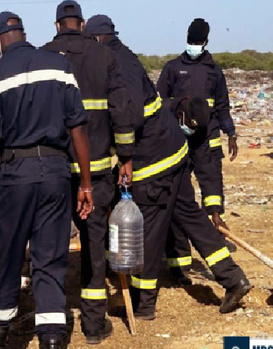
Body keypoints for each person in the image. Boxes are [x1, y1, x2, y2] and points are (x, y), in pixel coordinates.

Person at [84, 15, 251, 320]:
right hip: (175, 152)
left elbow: (125, 117)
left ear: (96, 39)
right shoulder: (125, 57)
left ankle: (143, 304)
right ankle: (233, 278)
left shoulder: (114, 65)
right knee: (190, 216)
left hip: (154, 162)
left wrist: (124, 157)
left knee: (148, 231)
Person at [0, 11, 93, 349]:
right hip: (57, 174)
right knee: (50, 264)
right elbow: (78, 126)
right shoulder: (59, 66)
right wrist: (86, 183)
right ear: (24, 34)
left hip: (16, 176)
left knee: (9, 259)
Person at [43, 0, 132, 345]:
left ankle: (53, 324)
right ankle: (94, 326)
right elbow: (121, 110)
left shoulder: (44, 58)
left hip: (52, 171)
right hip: (95, 174)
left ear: (56, 25)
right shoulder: (104, 57)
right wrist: (126, 155)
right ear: (81, 24)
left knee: (50, 246)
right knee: (94, 246)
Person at [157, 18, 236, 284]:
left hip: (207, 139)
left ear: (205, 42)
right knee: (180, 196)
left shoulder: (214, 70)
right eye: (191, 42)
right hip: (178, 143)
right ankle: (179, 264)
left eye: (197, 42)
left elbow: (222, 105)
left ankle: (218, 230)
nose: (194, 46)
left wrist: (231, 132)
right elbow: (160, 104)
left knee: (212, 186)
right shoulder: (172, 69)